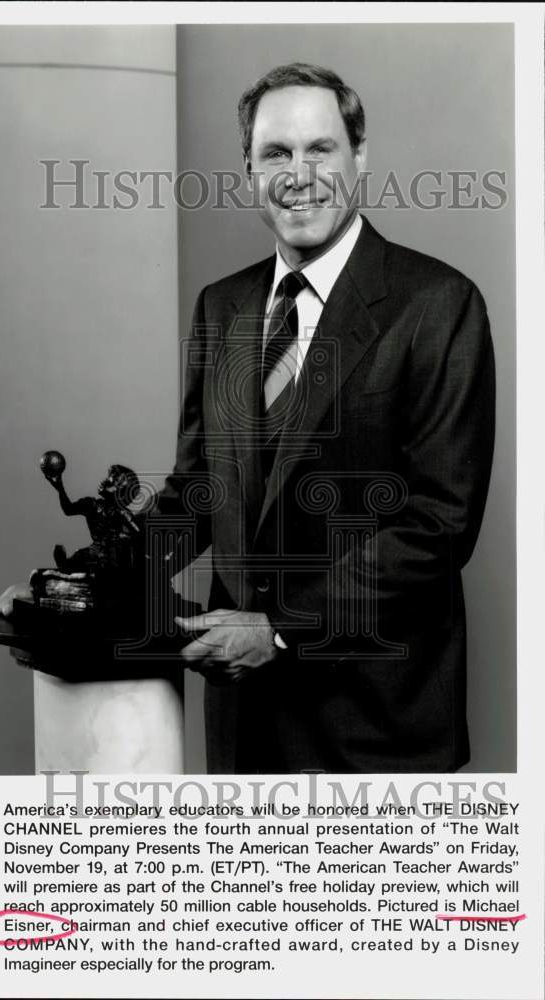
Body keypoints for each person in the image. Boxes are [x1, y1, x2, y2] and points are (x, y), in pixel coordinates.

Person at [149, 62, 495, 773]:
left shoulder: (439, 304)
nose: (298, 173)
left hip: (376, 728)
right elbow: (195, 490)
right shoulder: (223, 306)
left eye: (320, 148)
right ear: (248, 170)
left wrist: (277, 628)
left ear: (359, 156)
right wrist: (77, 585)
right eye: (275, 152)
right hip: (246, 731)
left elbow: (439, 521)